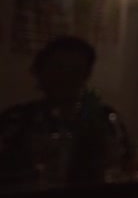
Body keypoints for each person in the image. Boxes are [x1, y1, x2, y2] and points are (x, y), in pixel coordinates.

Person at [0, 36, 128, 185]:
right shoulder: (17, 120)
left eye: (75, 70)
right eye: (58, 68)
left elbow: (124, 167)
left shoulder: (106, 120)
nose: (65, 77)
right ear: (40, 72)